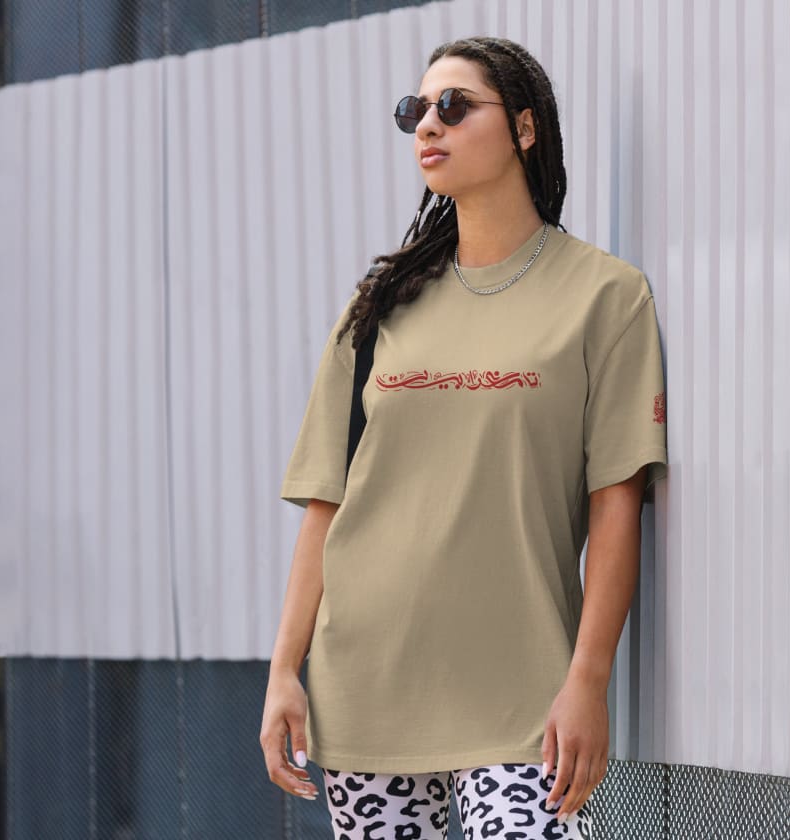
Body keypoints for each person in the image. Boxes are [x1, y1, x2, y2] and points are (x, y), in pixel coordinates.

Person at [260, 36, 667, 840]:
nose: (427, 125)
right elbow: (327, 505)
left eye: (453, 106)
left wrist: (588, 682)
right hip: (367, 694)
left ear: (525, 128)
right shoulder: (378, 308)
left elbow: (616, 505)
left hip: (525, 700)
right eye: (415, 110)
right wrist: (282, 671)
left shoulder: (605, 296)